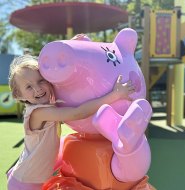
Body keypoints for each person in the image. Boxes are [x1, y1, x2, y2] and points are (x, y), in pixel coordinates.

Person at [7, 54, 135, 190]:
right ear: (19, 95)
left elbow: (58, 70)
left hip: (29, 178)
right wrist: (115, 95)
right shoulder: (39, 113)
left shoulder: (46, 105)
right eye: (29, 87)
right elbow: (78, 113)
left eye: (41, 81)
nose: (37, 88)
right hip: (24, 183)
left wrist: (72, 52)